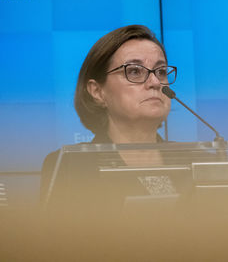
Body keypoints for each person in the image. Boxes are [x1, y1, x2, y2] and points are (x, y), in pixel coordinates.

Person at [40, 25, 178, 203]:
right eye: (134, 71)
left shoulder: (198, 161)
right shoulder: (71, 167)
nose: (155, 82)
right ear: (97, 92)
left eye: (160, 72)